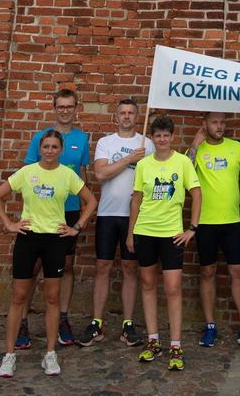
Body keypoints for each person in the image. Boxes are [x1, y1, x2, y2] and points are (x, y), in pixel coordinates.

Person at [0, 129, 97, 378]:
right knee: (18, 296)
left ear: (61, 150)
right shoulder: (27, 173)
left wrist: (76, 227)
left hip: (55, 240)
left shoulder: (67, 175)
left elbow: (91, 201)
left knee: (52, 297)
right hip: (28, 238)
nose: (49, 151)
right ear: (39, 148)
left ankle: (50, 354)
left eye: (54, 147)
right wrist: (9, 223)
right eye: (45, 146)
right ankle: (9, 355)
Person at [15, 88, 90, 349]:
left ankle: (63, 319)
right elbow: (27, 174)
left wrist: (82, 215)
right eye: (61, 106)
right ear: (54, 108)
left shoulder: (82, 139)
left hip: (68, 213)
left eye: (70, 106)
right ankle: (23, 321)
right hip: (41, 214)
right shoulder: (41, 137)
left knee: (66, 267)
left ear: (76, 108)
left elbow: (82, 175)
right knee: (33, 269)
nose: (65, 110)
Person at [76, 98, 154, 348]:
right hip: (109, 214)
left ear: (136, 116)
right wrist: (130, 159)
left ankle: (128, 323)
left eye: (131, 113)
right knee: (102, 267)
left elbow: (154, 177)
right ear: (116, 117)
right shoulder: (106, 143)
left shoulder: (147, 144)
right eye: (123, 113)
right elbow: (100, 173)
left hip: (136, 216)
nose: (127, 117)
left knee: (131, 269)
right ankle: (97, 322)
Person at [127, 114, 201, 372]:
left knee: (172, 288)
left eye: (166, 135)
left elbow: (196, 192)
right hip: (145, 231)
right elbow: (136, 199)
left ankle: (176, 344)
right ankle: (153, 339)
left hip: (171, 234)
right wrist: (130, 233)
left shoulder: (182, 162)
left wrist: (192, 228)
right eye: (157, 135)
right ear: (153, 138)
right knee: (147, 284)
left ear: (172, 137)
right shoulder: (144, 165)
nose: (161, 139)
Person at [186, 111, 240, 348]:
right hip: (205, 223)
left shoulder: (236, 148)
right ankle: (210, 326)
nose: (220, 126)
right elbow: (186, 170)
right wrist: (195, 142)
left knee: (238, 272)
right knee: (207, 273)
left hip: (231, 222)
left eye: (223, 122)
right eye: (215, 122)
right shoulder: (197, 150)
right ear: (205, 124)